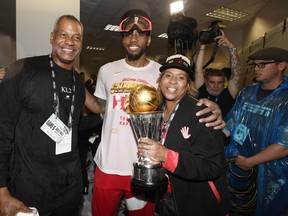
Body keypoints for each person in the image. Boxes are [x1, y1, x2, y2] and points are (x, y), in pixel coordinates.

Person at [83, 9, 226, 216]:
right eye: (128, 34)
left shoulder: (161, 73)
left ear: (148, 40)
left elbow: (179, 98)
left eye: (140, 34)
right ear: (122, 39)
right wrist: (75, 81)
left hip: (147, 165)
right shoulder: (106, 70)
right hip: (108, 163)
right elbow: (101, 108)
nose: (134, 38)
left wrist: (213, 106)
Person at [0, 15, 85, 216]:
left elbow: (72, 125)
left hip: (70, 192)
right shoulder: (23, 71)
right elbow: (2, 131)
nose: (70, 42)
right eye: (63, 34)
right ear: (51, 37)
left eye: (77, 37)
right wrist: (1, 190)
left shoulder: (78, 83)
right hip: (29, 192)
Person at [137, 54, 231, 216]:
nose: (173, 81)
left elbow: (213, 167)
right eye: (168, 75)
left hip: (197, 202)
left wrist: (166, 156)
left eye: (180, 77)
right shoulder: (154, 111)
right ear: (159, 82)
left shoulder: (202, 113)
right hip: (167, 195)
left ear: (188, 86)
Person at [222, 47, 288, 216]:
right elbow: (230, 125)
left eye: (262, 65)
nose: (256, 69)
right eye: (255, 65)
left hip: (271, 175)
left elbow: (284, 145)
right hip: (237, 170)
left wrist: (250, 162)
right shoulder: (247, 93)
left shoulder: (285, 99)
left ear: (281, 65)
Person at [195, 30, 241, 117]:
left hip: (222, 129)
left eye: (219, 83)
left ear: (224, 82)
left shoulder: (230, 92)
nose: (216, 86)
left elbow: (236, 73)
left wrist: (231, 46)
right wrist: (203, 45)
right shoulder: (201, 88)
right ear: (206, 81)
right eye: (212, 82)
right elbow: (198, 71)